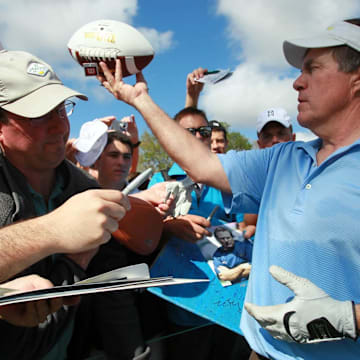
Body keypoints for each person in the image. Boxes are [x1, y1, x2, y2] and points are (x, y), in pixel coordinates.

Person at [97, 17, 360, 360]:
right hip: (258, 351)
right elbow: (203, 164)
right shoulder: (281, 159)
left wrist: (347, 319)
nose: (297, 82)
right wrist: (141, 100)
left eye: (312, 68)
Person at [0, 49, 131, 360]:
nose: (60, 127)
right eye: (39, 114)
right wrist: (53, 231)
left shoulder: (84, 190)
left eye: (61, 110)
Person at [239, 107, 296, 240]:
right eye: (267, 136)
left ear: (293, 138)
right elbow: (249, 222)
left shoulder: (311, 169)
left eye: (281, 133)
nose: (275, 140)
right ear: (260, 144)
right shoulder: (254, 177)